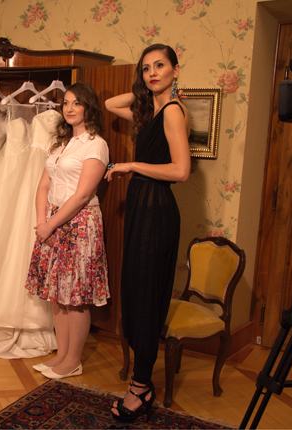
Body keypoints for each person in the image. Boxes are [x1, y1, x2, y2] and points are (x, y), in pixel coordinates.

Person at [104, 44, 190, 423]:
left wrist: (132, 165)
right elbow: (111, 104)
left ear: (175, 70)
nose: (153, 72)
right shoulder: (150, 108)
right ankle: (141, 383)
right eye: (146, 68)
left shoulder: (172, 110)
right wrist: (146, 90)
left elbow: (181, 171)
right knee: (136, 292)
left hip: (157, 210)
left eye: (160, 66)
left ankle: (140, 387)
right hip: (143, 208)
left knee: (146, 296)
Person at [25, 82, 110, 379]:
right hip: (52, 221)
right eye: (66, 103)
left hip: (80, 223)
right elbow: (44, 185)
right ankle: (61, 356)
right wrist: (42, 221)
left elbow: (82, 195)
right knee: (57, 294)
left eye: (77, 103)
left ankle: (73, 361)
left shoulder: (96, 144)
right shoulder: (61, 144)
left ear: (89, 107)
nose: (70, 108)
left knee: (75, 296)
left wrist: (50, 224)